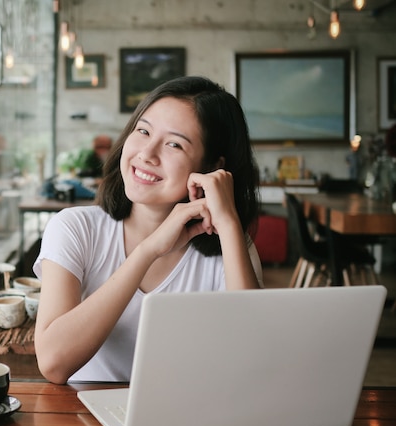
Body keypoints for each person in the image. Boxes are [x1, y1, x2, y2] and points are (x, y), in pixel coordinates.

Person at [33, 76, 262, 384]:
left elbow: (253, 359)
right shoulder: (75, 228)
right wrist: (148, 250)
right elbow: (53, 363)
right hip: (82, 422)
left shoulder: (231, 246)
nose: (146, 154)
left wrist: (230, 222)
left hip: (188, 422)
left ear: (212, 167)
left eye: (174, 144)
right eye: (143, 131)